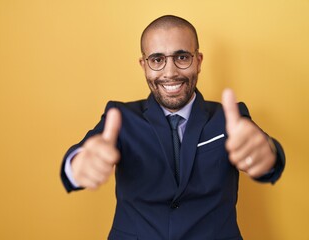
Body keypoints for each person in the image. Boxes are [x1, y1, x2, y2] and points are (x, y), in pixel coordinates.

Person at [60, 15, 285, 240]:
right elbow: (79, 156)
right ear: (143, 65)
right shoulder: (119, 118)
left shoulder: (229, 118)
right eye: (157, 59)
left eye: (182, 57)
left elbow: (264, 152)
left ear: (198, 61)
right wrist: (78, 164)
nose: (170, 72)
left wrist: (267, 155)